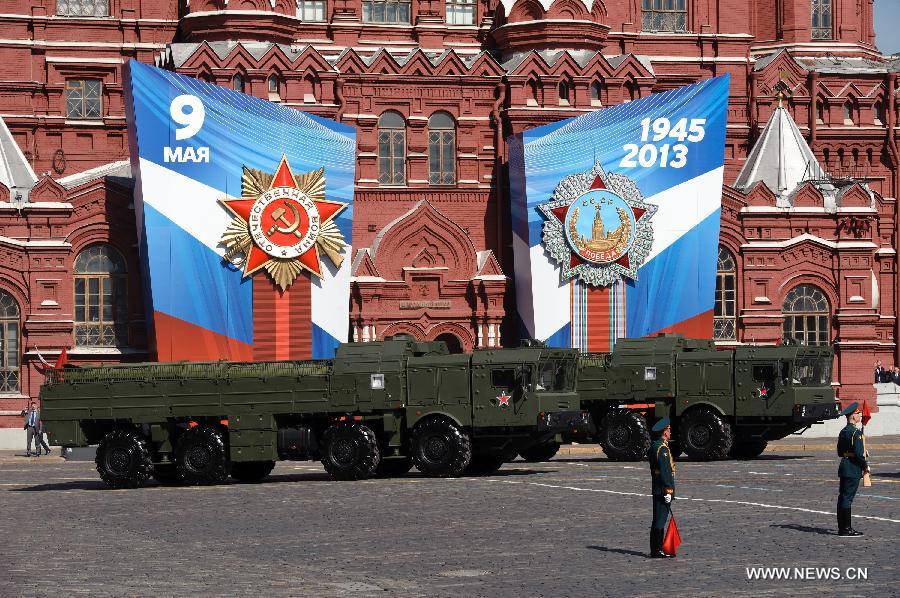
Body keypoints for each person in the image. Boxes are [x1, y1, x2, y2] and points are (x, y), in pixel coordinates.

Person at [836, 402, 869, 537]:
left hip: (844, 466)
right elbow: (858, 455)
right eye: (857, 413)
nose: (860, 415)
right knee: (847, 498)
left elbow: (839, 452)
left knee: (843, 497)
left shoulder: (843, 431)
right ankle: (846, 529)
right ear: (852, 417)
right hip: (853, 468)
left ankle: (842, 527)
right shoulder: (856, 433)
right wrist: (865, 466)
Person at [648, 416, 675, 558]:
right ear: (665, 432)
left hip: (658, 488)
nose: (670, 432)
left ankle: (656, 549)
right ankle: (657, 550)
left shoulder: (655, 445)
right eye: (669, 429)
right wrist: (668, 490)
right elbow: (665, 472)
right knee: (660, 519)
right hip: (662, 489)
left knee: (658, 519)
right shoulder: (662, 448)